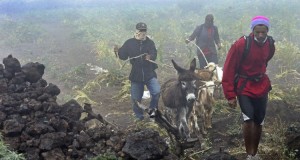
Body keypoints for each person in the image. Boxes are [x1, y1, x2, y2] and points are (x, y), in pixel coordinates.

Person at [222, 16, 275, 160]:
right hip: (244, 86)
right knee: (249, 119)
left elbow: (266, 59)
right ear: (252, 31)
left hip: (261, 85)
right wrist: (230, 95)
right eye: (257, 32)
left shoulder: (270, 43)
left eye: (263, 32)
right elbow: (228, 69)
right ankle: (249, 154)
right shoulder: (241, 44)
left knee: (259, 120)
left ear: (267, 31)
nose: (260, 35)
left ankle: (255, 153)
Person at [114, 22, 160, 121]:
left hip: (149, 73)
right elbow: (123, 56)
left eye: (144, 30)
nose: (142, 32)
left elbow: (154, 53)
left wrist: (150, 56)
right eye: (140, 30)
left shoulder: (150, 42)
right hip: (136, 75)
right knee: (135, 98)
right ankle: (139, 117)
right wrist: (118, 51)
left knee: (156, 92)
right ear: (136, 31)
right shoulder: (129, 42)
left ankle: (152, 112)